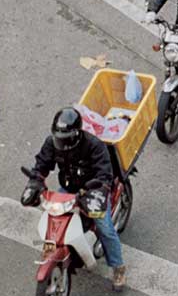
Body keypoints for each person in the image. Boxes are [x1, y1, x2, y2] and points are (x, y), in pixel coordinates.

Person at [25, 106, 125, 284]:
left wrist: (97, 193)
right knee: (52, 217)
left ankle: (118, 268)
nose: (61, 143)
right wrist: (35, 182)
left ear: (77, 134)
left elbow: (104, 176)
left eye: (65, 139)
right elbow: (41, 165)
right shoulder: (51, 143)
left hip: (92, 191)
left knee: (105, 229)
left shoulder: (95, 146)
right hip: (69, 190)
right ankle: (52, 251)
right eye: (58, 138)